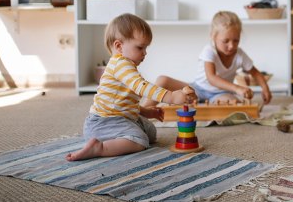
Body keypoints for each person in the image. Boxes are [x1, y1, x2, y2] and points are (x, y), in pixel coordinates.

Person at [66, 13, 197, 161]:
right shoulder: (121, 64)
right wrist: (172, 97)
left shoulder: (126, 66)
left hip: (120, 117)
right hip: (104, 123)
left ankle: (120, 138)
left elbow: (122, 102)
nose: (145, 53)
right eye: (140, 47)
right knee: (140, 140)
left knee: (151, 132)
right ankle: (100, 148)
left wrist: (146, 111)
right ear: (119, 46)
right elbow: (143, 87)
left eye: (146, 48)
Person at [143, 10, 272, 107]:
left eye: (236, 40)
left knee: (234, 103)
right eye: (225, 41)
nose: (231, 46)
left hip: (219, 94)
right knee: (162, 80)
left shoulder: (240, 54)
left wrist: (265, 88)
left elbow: (255, 73)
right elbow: (212, 78)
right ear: (213, 37)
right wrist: (237, 88)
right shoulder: (209, 50)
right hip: (197, 89)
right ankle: (144, 110)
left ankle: (204, 105)